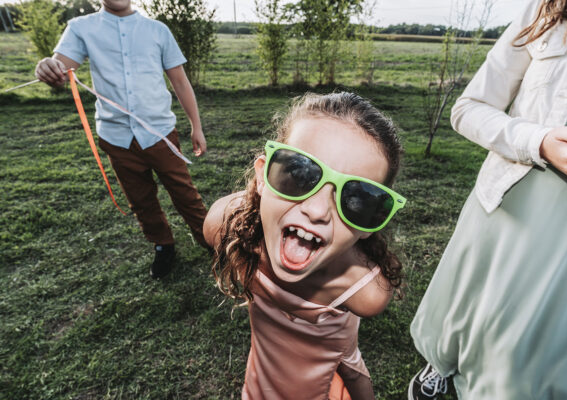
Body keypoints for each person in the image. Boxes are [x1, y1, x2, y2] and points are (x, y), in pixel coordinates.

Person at [408, 0, 567, 399]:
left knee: (555, 339)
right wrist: (541, 142)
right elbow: (468, 109)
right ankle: (440, 368)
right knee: (477, 311)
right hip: (517, 196)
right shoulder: (550, 9)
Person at [203, 92, 407, 399]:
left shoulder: (366, 292)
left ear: (372, 223)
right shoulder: (222, 224)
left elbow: (351, 365)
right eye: (299, 174)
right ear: (263, 175)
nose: (317, 210)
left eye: (357, 200)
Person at [34, 0, 210, 279]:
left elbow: (180, 81)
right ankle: (163, 244)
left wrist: (196, 126)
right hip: (116, 138)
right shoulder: (81, 28)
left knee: (184, 192)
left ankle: (210, 240)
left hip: (160, 134)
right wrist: (48, 67)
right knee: (141, 199)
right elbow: (59, 67)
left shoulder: (157, 30)